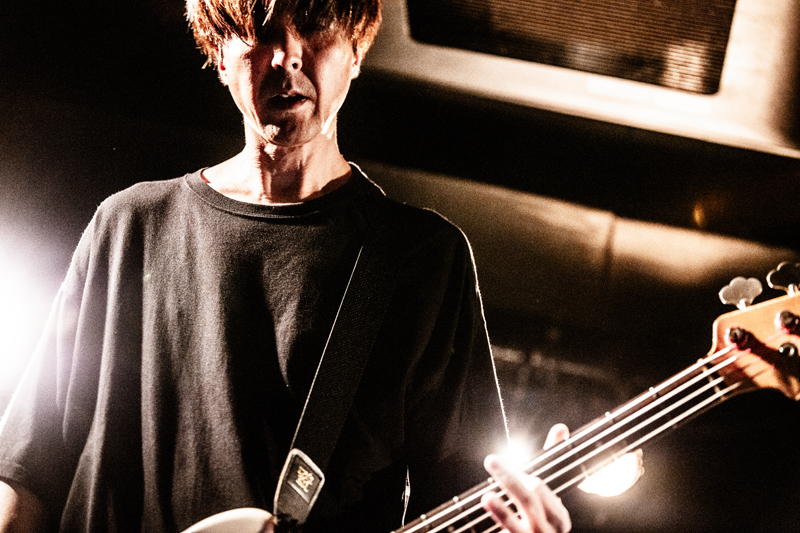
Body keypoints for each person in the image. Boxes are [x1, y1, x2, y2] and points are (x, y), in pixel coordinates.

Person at [0, 1, 571, 532]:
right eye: (260, 32)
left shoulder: (422, 260)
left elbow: (464, 500)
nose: (287, 57)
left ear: (356, 53)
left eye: (316, 26)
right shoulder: (130, 226)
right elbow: (27, 476)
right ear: (219, 56)